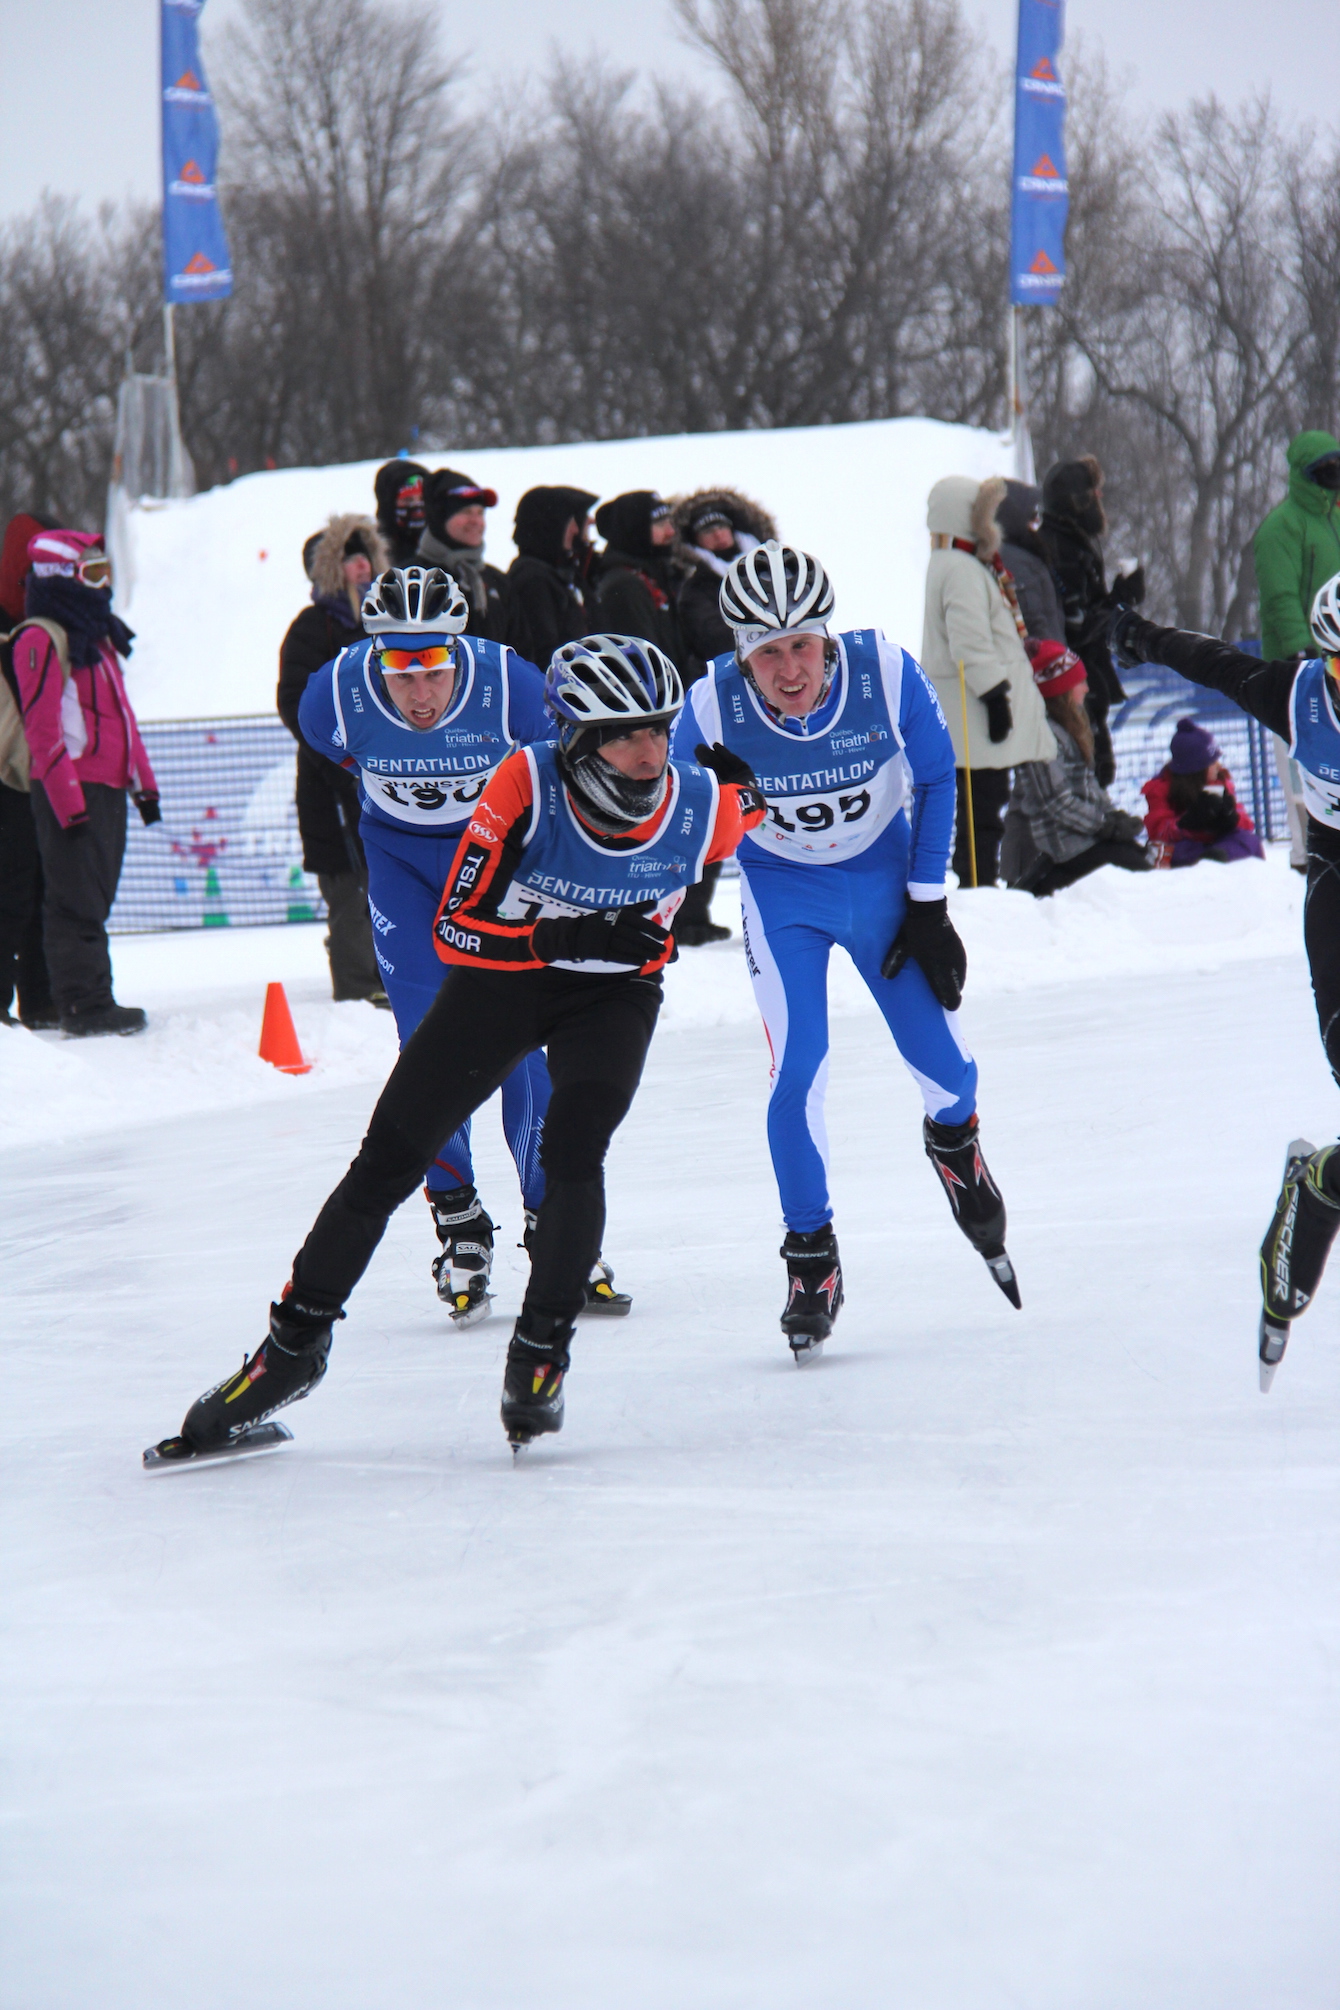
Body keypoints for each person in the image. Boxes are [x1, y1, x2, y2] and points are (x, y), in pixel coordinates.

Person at [154, 635, 766, 1461]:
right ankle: (290, 1352)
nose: (650, 752)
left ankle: (540, 1355)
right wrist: (562, 934)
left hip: (614, 997)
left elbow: (746, 801)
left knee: (574, 1152)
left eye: (659, 729)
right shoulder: (526, 782)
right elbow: (454, 927)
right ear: (578, 738)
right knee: (388, 1160)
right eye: (625, 733)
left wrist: (749, 785)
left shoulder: (701, 807)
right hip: (506, 979)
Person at [674, 540, 1022, 1358]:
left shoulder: (886, 671)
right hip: (782, 892)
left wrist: (929, 906)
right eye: (767, 654)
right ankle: (811, 1260)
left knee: (950, 1072)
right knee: (797, 1073)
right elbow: (675, 824)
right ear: (740, 655)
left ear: (828, 638)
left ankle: (955, 1146)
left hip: (881, 882)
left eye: (802, 646)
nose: (789, 671)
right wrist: (715, 812)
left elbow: (937, 778)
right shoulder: (710, 708)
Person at [296, 563, 629, 1324]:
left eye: (434, 670)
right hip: (404, 869)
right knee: (430, 1047)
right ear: (374, 658)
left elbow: (561, 763)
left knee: (519, 1041)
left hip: (495, 862)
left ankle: (553, 1226)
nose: (419, 693)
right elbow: (328, 745)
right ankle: (458, 1221)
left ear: (459, 653)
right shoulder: (335, 692)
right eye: (399, 671)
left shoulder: (508, 681)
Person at [1111, 573, 1340, 1388]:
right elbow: (1205, 661)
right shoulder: (1296, 693)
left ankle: (1319, 1187)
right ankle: (1314, 1192)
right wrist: (1132, 633)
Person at [12, 529, 156, 1037]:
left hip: (108, 785)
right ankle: (83, 1003)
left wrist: (144, 782)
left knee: (95, 897)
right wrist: (67, 799)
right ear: (61, 578)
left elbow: (122, 714)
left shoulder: (98, 637)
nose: (101, 585)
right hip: (72, 787)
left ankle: (76, 995)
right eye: (90, 573)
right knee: (75, 900)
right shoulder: (41, 638)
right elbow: (42, 728)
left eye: (104, 572)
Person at [920, 475, 1056, 888]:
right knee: (983, 807)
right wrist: (997, 696)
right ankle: (977, 883)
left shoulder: (954, 563)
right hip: (975, 710)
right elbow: (970, 644)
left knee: (979, 805)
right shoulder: (962, 570)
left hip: (969, 708)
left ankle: (979, 879)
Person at [277, 514, 387, 1004]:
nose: (362, 567)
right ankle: (358, 985)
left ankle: (389, 973)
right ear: (329, 571)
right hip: (332, 785)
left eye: (367, 556)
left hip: (389, 778)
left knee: (389, 881)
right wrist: (340, 765)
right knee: (349, 887)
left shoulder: (388, 624)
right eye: (351, 559)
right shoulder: (311, 628)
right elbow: (296, 705)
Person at [1001, 640, 1152, 894]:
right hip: (1066, 847)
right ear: (1061, 690)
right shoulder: (1042, 736)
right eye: (1078, 682)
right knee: (1139, 871)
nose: (1086, 688)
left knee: (1142, 859)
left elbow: (1087, 787)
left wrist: (1113, 818)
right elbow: (1056, 802)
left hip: (1085, 838)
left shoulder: (1067, 730)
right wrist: (1105, 825)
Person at [1253, 430, 1340, 870]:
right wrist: (1298, 650)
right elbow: (1279, 595)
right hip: (1300, 666)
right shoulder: (1281, 527)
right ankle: (1307, 848)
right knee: (1300, 757)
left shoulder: (1336, 519)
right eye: (1324, 469)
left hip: (1336, 660)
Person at [1039, 456, 1143, 787]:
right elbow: (1078, 626)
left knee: (1096, 773)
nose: (1100, 497)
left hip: (1081, 680)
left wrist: (1119, 596)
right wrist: (1122, 599)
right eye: (1093, 491)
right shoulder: (1064, 548)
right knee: (1091, 775)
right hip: (1074, 684)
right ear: (1078, 500)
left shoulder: (1071, 540)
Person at [0, 511, 57, 1028]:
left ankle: (41, 998)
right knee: (14, 888)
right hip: (11, 776)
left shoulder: (39, 627)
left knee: (42, 884)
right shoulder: (18, 629)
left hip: (36, 773)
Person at [672, 488, 777, 683]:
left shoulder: (773, 569)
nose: (718, 534)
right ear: (695, 541)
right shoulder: (696, 589)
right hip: (732, 677)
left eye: (721, 526)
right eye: (707, 531)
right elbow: (714, 639)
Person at [1139, 717, 1264, 868]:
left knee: (1249, 840)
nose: (1218, 765)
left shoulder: (1220, 781)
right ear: (1196, 768)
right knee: (1165, 852)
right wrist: (1187, 824)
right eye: (1212, 761)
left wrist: (1230, 819)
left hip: (1217, 844)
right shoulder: (1160, 788)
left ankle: (1216, 859)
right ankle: (1208, 863)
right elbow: (1157, 832)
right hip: (1184, 848)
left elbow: (1246, 823)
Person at [502, 486, 598, 672]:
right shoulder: (533, 580)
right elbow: (546, 655)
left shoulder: (559, 575)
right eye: (571, 522)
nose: (576, 530)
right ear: (552, 527)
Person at [592, 492, 686, 672]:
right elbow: (644, 665)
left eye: (670, 522)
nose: (670, 531)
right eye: (660, 524)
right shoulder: (625, 585)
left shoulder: (655, 575)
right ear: (636, 530)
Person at [417, 468, 507, 642]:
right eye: (466, 512)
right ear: (440, 517)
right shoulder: (412, 578)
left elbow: (522, 652)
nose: (476, 521)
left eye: (480, 513)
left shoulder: (497, 581)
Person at [994, 481, 1065, 642]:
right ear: (1015, 519)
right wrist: (1056, 663)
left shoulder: (1025, 555)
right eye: (1031, 515)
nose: (1036, 521)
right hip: (1044, 662)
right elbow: (1033, 626)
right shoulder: (1016, 562)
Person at [373, 459, 430, 569]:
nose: (418, 506)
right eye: (408, 500)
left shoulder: (442, 546)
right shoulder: (374, 554)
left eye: (423, 498)